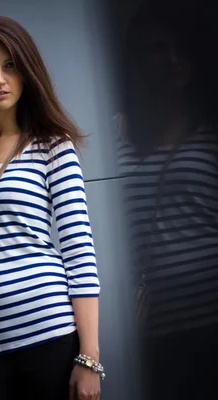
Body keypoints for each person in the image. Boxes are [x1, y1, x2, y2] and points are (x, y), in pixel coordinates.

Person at [0, 16, 102, 400]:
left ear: (27, 72)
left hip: (50, 337)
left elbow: (79, 250)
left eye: (10, 65)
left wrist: (89, 357)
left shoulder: (51, 145)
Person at [115, 3, 218, 399]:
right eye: (158, 48)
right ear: (137, 59)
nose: (173, 59)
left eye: (180, 47)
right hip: (147, 330)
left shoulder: (210, 133)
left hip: (210, 323)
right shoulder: (114, 136)